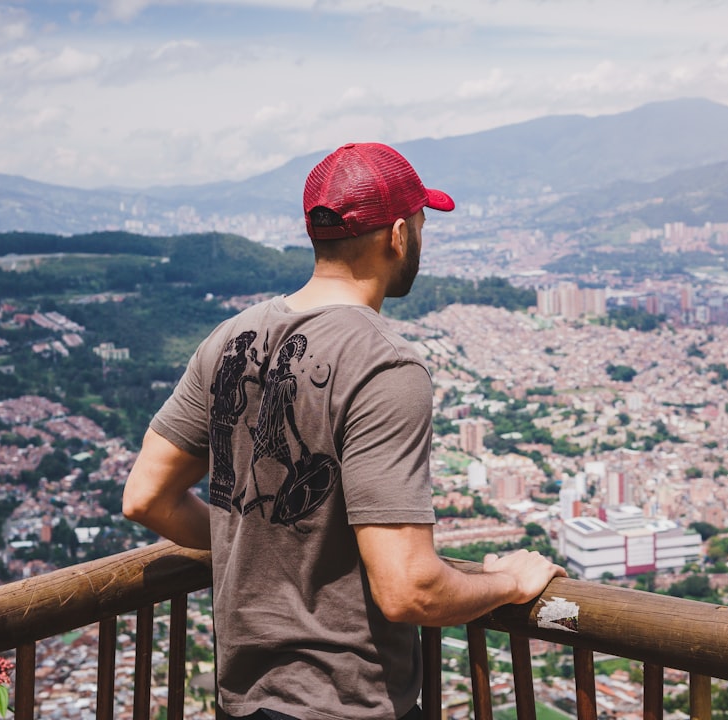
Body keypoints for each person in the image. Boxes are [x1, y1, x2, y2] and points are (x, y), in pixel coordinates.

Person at [122, 142, 566, 720]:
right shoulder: (386, 365)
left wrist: (251, 545)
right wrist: (508, 583)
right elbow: (409, 589)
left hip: (242, 701)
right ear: (398, 235)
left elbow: (145, 497)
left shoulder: (229, 337)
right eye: (423, 226)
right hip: (347, 703)